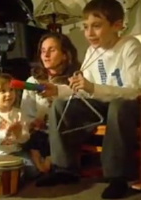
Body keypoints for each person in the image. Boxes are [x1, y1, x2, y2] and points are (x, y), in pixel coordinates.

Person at [35, 0, 141, 199]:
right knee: (59, 105)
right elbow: (82, 90)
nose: (89, 33)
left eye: (97, 26)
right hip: (101, 103)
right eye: (86, 27)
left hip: (127, 105)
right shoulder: (93, 51)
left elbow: (133, 91)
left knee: (118, 107)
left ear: (117, 25)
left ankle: (118, 177)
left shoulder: (129, 46)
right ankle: (64, 169)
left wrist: (92, 87)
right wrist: (57, 90)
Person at [20, 32, 80, 173]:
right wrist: (34, 123)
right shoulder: (32, 82)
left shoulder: (76, 79)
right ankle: (43, 163)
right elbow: (26, 114)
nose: (46, 55)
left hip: (65, 132)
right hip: (40, 134)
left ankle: (52, 163)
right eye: (43, 51)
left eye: (52, 50)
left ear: (65, 54)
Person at [0, 73, 38, 180]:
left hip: (15, 153)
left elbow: (26, 136)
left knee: (32, 171)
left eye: (11, 90)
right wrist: (5, 133)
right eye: (2, 91)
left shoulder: (19, 113)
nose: (8, 94)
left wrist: (19, 135)